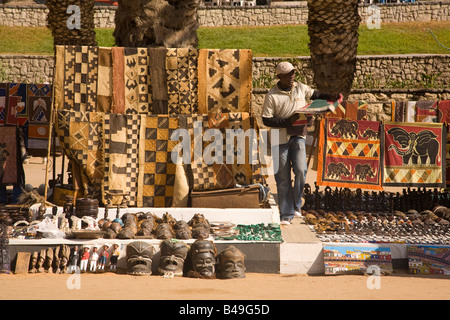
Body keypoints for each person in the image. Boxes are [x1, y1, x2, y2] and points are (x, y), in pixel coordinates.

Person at [262, 61, 341, 225]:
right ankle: (286, 214)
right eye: (288, 74)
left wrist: (330, 96)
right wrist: (287, 122)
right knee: (282, 177)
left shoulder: (301, 87)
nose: (292, 76)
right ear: (279, 77)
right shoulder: (271, 96)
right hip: (279, 138)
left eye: (293, 73)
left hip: (298, 136)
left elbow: (316, 95)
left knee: (300, 169)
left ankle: (297, 205)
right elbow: (266, 120)